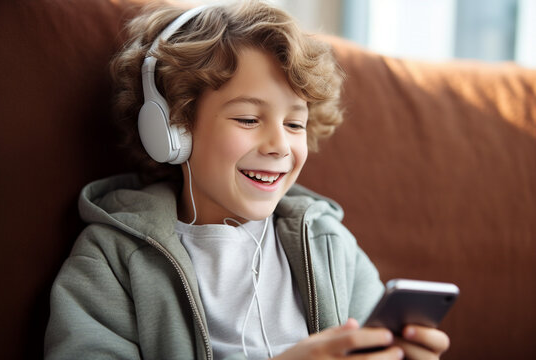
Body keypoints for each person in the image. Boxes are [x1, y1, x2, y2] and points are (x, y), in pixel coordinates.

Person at [44, 1, 450, 359]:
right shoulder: (113, 257)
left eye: (294, 123)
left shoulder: (328, 242)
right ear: (173, 130)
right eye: (248, 119)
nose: (279, 145)